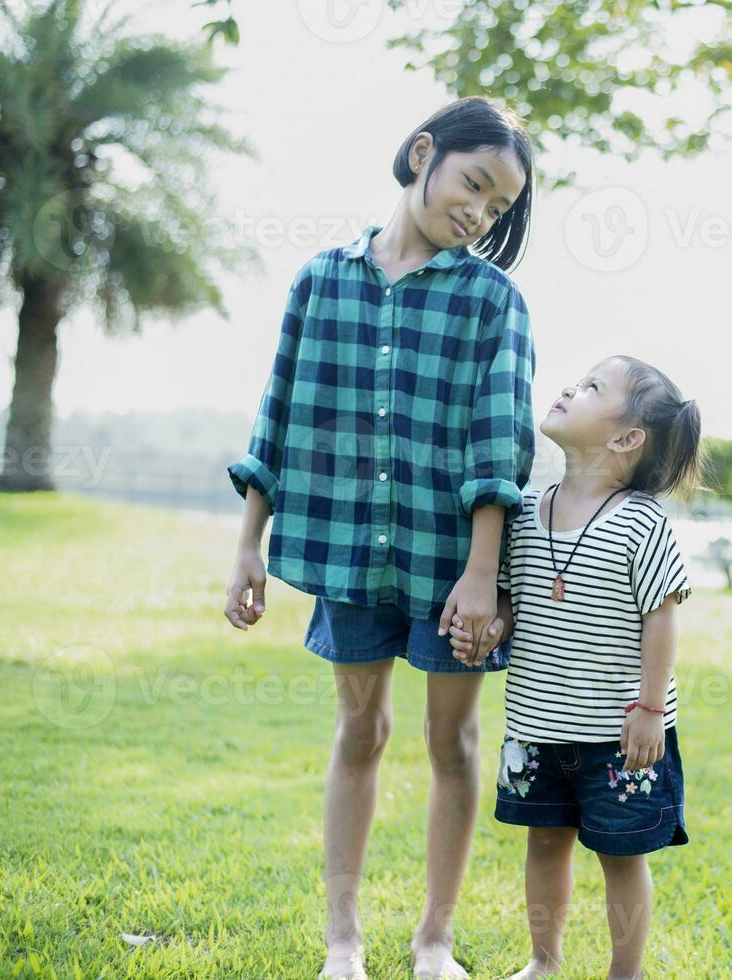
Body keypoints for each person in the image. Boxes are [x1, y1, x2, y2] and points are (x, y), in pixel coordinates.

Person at [222, 96, 537, 980]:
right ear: (423, 153)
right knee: (358, 730)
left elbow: (499, 442)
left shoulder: (492, 301)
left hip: (451, 568)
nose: (478, 213)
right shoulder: (320, 279)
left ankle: (433, 939)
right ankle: (343, 939)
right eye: (474, 184)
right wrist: (249, 544)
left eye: (497, 206)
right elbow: (275, 417)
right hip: (346, 554)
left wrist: (482, 576)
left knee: (453, 744)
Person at [447, 355, 705, 980]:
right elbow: (510, 592)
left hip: (619, 734)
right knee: (543, 842)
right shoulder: (527, 508)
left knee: (621, 856)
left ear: (625, 438)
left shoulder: (641, 522)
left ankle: (626, 972)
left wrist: (648, 709)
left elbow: (661, 616)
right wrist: (494, 624)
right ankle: (544, 960)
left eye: (592, 387)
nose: (569, 386)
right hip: (537, 724)